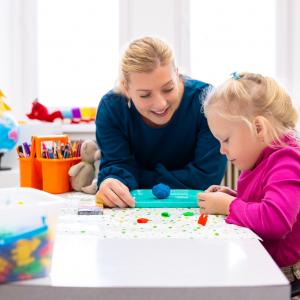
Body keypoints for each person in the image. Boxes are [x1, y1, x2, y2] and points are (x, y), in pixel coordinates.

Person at [95, 36, 227, 208]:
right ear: (126, 88)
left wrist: (136, 177)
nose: (160, 104)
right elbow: (117, 167)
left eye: (168, 88)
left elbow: (206, 177)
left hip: (195, 209)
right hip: (134, 210)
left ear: (177, 75)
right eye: (145, 95)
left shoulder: (207, 101)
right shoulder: (112, 108)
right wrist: (111, 182)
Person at [197, 72, 300, 288]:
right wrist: (233, 197)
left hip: (291, 280)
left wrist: (230, 206)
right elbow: (263, 202)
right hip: (270, 269)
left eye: (226, 140)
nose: (222, 150)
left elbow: (275, 221)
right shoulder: (261, 157)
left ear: (258, 128)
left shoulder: (286, 161)